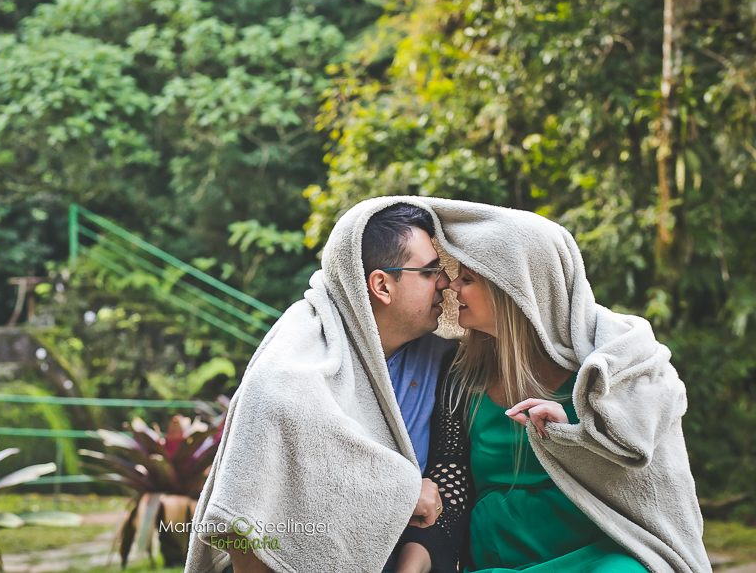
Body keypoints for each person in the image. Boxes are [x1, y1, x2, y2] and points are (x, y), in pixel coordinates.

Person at [420, 196, 711, 573]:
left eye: (468, 278)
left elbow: (642, 473)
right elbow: (448, 477)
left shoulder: (610, 373)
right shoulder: (458, 378)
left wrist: (570, 437)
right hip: (496, 560)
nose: (452, 287)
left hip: (600, 555)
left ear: (514, 291)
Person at [185, 201, 465, 573]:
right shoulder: (298, 356)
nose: (445, 282)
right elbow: (245, 514)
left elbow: (452, 474)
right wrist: (401, 492)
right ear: (382, 285)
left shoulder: (443, 359)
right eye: (431, 271)